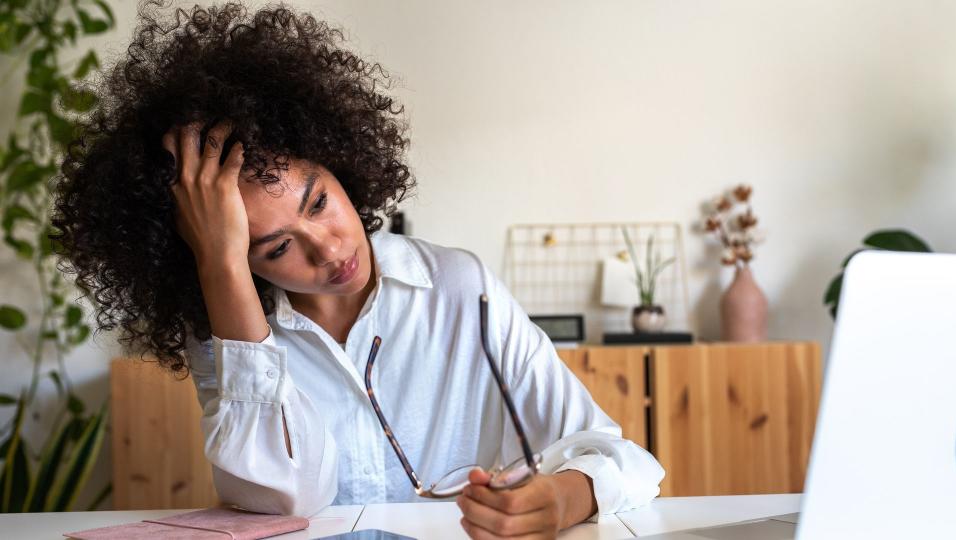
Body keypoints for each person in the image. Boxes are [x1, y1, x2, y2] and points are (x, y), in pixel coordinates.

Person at [52, 2, 664, 537]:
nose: (326, 249)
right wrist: (221, 265)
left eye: (318, 202)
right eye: (272, 248)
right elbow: (284, 497)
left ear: (341, 159)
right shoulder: (232, 327)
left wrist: (562, 498)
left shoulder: (459, 288)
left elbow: (622, 457)